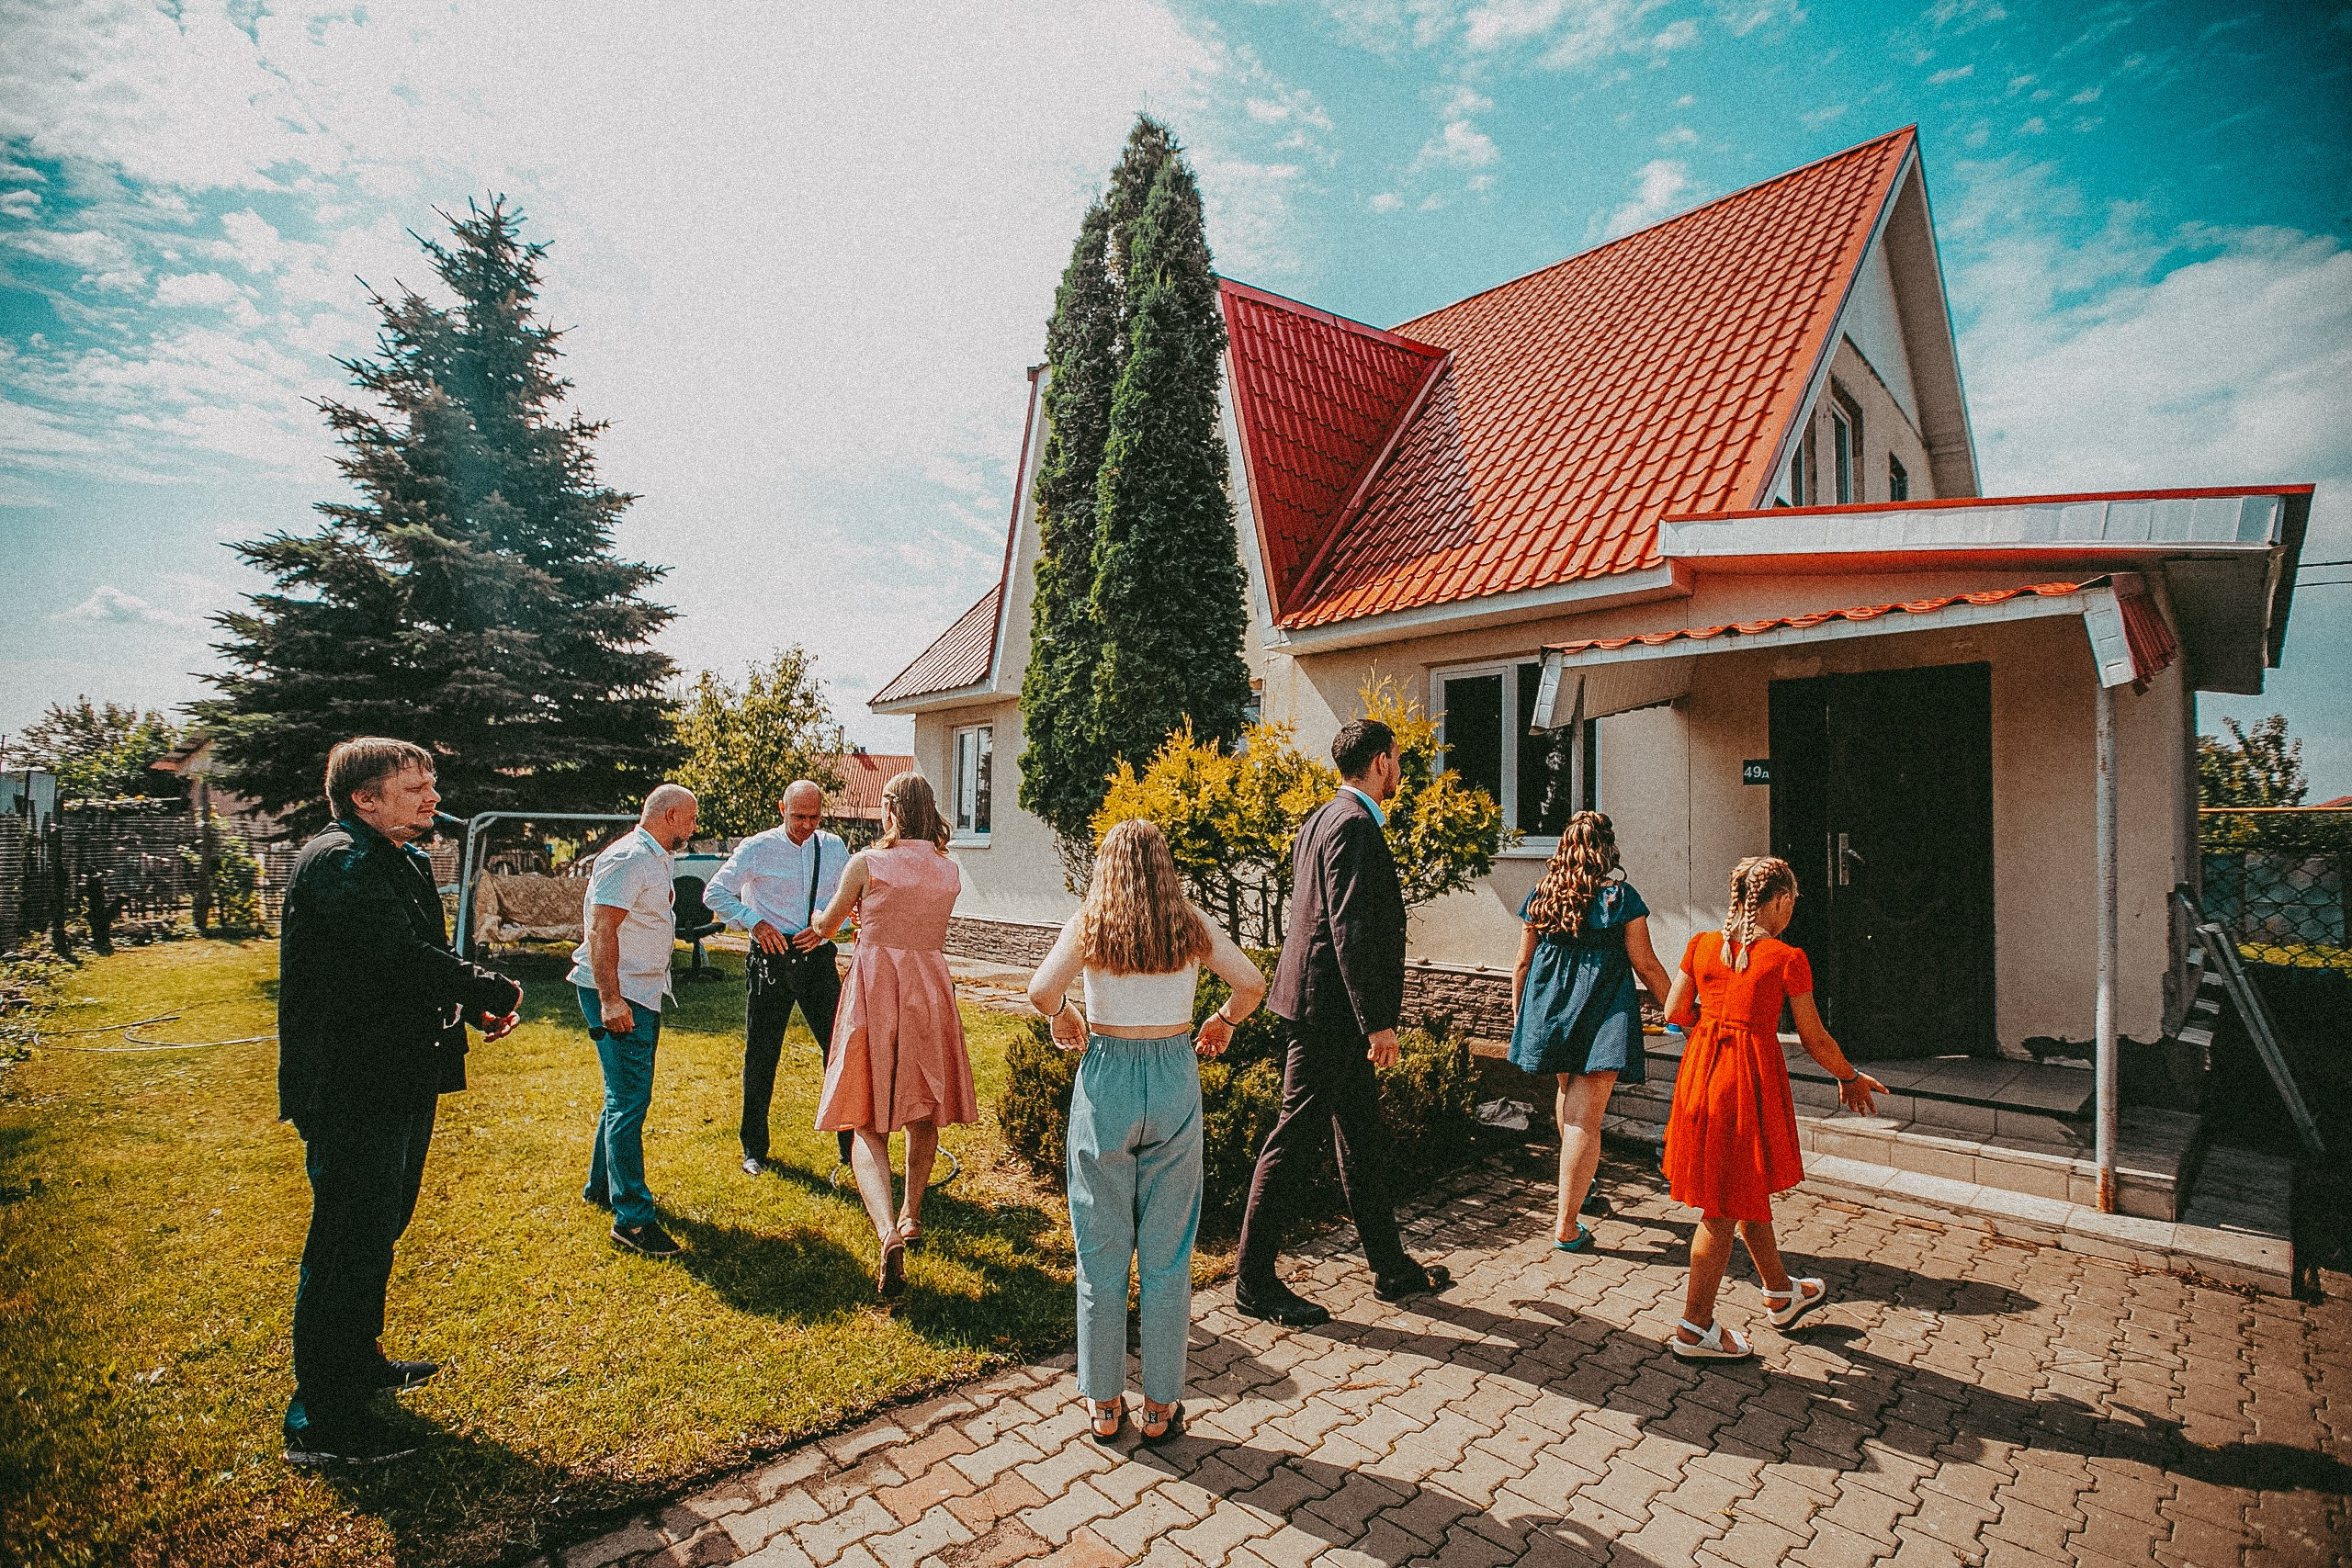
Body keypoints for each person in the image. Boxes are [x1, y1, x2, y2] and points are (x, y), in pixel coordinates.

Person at [277, 738, 522, 1465]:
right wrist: (483, 986)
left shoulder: (399, 859)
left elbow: (412, 971)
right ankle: (322, 1422)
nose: (431, 796)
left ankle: (358, 1363)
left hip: (398, 1079)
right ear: (364, 797)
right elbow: (395, 959)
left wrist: (465, 1006)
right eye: (413, 786)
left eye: (431, 782)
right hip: (352, 1087)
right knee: (347, 1240)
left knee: (379, 1228)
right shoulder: (339, 861)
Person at [1026, 819, 1268, 1445]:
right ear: (1165, 866)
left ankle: (1106, 1403)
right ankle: (1161, 1407)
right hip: (1171, 1076)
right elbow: (1251, 983)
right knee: (1167, 1251)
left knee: (1100, 1249)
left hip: (1106, 1074)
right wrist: (1221, 1020)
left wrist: (1066, 1013)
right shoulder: (1190, 925)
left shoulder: (1090, 925)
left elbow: (1041, 989)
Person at [1232, 718, 1452, 1326]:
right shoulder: (1354, 825)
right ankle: (1252, 1280)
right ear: (1381, 762)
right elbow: (1348, 928)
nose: (1400, 770)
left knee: (1362, 1140)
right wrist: (1377, 1021)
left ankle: (1391, 1266)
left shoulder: (1322, 818)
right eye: (1398, 760)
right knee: (1293, 1138)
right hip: (1330, 1015)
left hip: (1323, 1006)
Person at [1659, 855, 1885, 1359]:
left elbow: (1675, 1011)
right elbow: (1814, 1038)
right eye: (1792, 902)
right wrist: (1849, 1076)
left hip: (1701, 1074)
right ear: (1779, 901)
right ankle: (1694, 1330)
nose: (1792, 912)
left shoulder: (1700, 946)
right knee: (1720, 1208)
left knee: (1741, 1183)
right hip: (1748, 1081)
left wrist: (1715, 1030)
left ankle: (1780, 1292)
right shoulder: (1786, 957)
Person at [807, 773, 976, 1298]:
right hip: (928, 987)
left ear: (891, 809)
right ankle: (911, 1216)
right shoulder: (949, 871)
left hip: (876, 986)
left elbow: (827, 925)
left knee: (865, 1116)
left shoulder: (867, 863)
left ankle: (886, 1234)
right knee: (923, 1107)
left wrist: (824, 916)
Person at [1507, 810, 1673, 1254]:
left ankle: (1583, 1183)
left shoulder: (1542, 895)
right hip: (1602, 1008)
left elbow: (1522, 963)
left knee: (1569, 1091)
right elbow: (1646, 963)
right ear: (1606, 850)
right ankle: (1566, 1225)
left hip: (1550, 1006)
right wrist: (1680, 1008)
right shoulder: (1619, 898)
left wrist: (1522, 1011)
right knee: (1586, 1117)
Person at [570, 784, 699, 1259]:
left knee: (620, 1095)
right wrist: (611, 1001)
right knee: (629, 1102)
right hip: (620, 993)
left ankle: (601, 1189)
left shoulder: (655, 854)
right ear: (668, 816)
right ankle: (633, 1221)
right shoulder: (629, 858)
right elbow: (601, 929)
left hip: (640, 991)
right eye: (690, 819)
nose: (694, 827)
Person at [704, 780, 854, 1175]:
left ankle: (851, 1147)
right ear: (781, 808)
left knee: (838, 1051)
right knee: (761, 1054)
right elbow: (715, 892)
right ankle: (754, 1148)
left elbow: (850, 896)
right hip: (771, 959)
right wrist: (756, 923)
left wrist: (826, 928)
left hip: (816, 956)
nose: (806, 824)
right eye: (798, 816)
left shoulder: (834, 848)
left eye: (814, 816)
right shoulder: (758, 847)